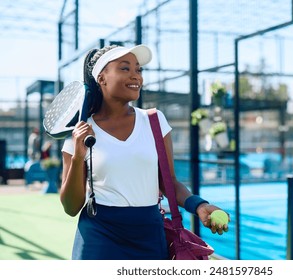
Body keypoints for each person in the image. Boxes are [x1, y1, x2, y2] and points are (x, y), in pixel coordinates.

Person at [60, 44, 229, 260]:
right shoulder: (79, 134)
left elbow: (168, 181)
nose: (135, 76)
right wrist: (78, 156)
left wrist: (199, 205)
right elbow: (71, 207)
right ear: (102, 78)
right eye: (124, 68)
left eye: (138, 70)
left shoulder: (155, 120)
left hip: (149, 233)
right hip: (99, 236)